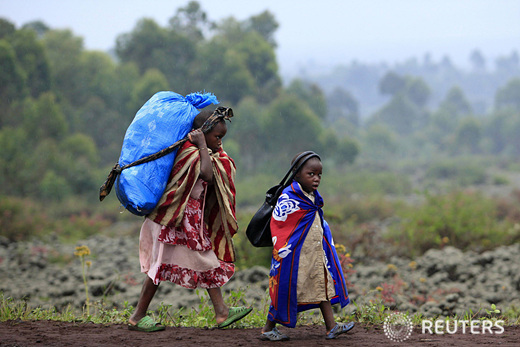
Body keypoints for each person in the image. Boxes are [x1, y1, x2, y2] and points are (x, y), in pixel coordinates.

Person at [128, 108, 252, 332]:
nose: (220, 143)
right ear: (201, 134)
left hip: (188, 222)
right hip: (173, 220)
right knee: (160, 267)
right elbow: (206, 174)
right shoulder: (189, 152)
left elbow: (218, 169)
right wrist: (203, 146)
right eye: (217, 137)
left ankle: (221, 312)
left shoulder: (204, 152)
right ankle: (137, 317)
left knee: (204, 261)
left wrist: (208, 147)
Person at [261, 151, 354, 341]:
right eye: (311, 174)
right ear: (296, 174)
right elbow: (280, 226)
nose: (316, 179)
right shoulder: (289, 198)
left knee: (321, 285)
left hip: (314, 254)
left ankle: (331, 327)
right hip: (295, 259)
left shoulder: (312, 196)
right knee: (286, 289)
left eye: (319, 174)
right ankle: (267, 329)